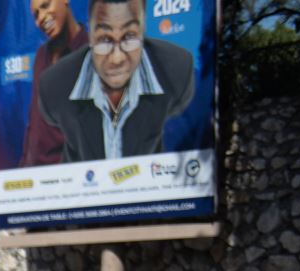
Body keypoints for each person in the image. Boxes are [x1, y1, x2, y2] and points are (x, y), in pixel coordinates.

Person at [36, 0, 196, 164]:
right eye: (105, 40)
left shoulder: (176, 73)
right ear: (90, 37)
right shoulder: (54, 87)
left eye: (129, 37)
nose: (117, 58)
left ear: (143, 31)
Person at [19, 0, 88, 167]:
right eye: (36, 14)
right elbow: (35, 119)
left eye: (46, 5)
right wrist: (24, 166)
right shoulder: (41, 56)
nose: (41, 18)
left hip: (73, 175)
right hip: (34, 174)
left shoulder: (92, 52)